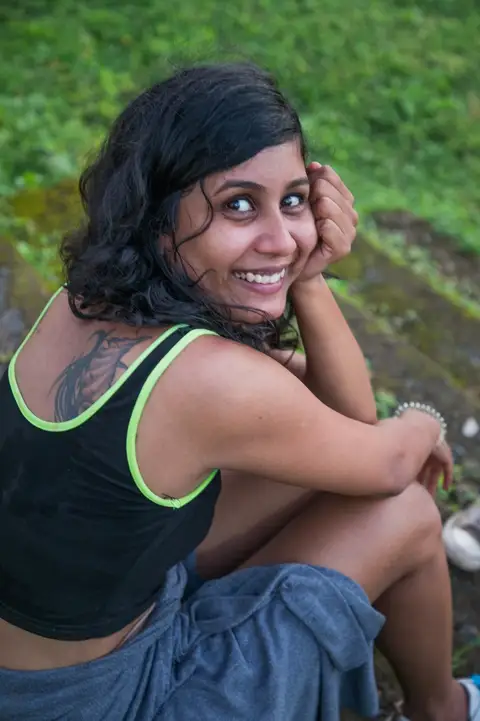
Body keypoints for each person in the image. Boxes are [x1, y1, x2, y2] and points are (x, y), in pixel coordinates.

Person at [0, 62, 478, 721]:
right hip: (112, 700)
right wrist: (424, 422)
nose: (281, 239)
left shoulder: (81, 301)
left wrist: (304, 278)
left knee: (317, 466)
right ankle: (443, 708)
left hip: (43, 664)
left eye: (293, 200)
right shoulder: (213, 382)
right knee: (407, 511)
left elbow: (322, 412)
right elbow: (384, 460)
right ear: (158, 216)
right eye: (239, 204)